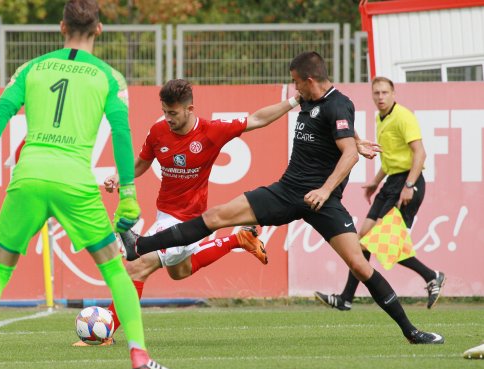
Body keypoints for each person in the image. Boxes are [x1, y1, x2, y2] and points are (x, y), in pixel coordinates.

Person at [119, 52, 444, 345]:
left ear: (310, 80)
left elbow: (348, 156)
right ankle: (140, 245)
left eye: (295, 82)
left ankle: (411, 332)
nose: (293, 87)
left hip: (322, 201)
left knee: (360, 264)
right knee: (216, 216)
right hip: (287, 192)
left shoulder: (338, 103)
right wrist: (354, 139)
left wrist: (327, 187)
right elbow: (334, 135)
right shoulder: (307, 101)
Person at [0, 1, 169, 369]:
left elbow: (0, 113)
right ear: (98, 30)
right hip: (74, 181)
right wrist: (129, 193)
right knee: (116, 271)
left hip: (29, 176)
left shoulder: (32, 68)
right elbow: (120, 132)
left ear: (61, 27)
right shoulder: (109, 77)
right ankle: (139, 357)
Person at [73, 78, 296, 346]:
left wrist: (294, 101)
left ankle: (105, 330)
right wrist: (120, 176)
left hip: (189, 220)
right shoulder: (158, 132)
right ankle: (238, 239)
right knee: (179, 271)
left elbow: (257, 119)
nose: (167, 118)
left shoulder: (212, 131)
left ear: (190, 108)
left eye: (173, 113)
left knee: (137, 266)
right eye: (165, 112)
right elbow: (143, 163)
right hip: (164, 214)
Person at [314, 76, 445, 311]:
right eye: (376, 93)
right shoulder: (380, 117)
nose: (381, 97)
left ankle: (431, 276)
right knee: (362, 241)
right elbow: (390, 158)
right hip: (391, 184)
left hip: (407, 183)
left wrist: (409, 186)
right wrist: (375, 182)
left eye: (385, 93)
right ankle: (347, 298)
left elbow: (420, 154)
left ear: (393, 94)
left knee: (379, 243)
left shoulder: (404, 116)